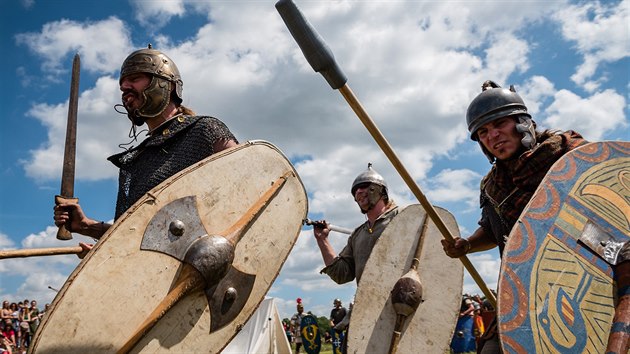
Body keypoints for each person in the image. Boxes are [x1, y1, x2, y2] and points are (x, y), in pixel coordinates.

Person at [441, 80, 587, 353]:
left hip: (584, 283)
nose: (492, 135)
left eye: (499, 124)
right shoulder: (493, 186)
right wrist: (468, 245)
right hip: (524, 291)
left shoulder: (569, 155)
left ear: (522, 122)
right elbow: (492, 231)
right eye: (483, 132)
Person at [54, 45, 238, 251]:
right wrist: (86, 226)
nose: (124, 87)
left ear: (164, 83)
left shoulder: (204, 130)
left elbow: (246, 187)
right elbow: (136, 236)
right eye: (122, 83)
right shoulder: (136, 161)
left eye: (134, 79)